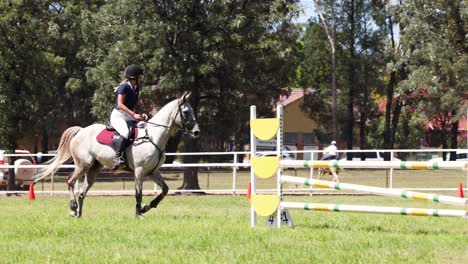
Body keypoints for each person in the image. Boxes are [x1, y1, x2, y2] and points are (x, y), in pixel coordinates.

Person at [110, 64, 147, 169]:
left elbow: (136, 104)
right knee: (125, 132)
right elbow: (120, 105)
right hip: (118, 116)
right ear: (134, 77)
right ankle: (118, 158)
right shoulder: (124, 87)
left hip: (129, 115)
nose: (141, 78)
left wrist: (141, 113)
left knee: (143, 127)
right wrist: (134, 114)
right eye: (140, 76)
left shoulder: (136, 87)